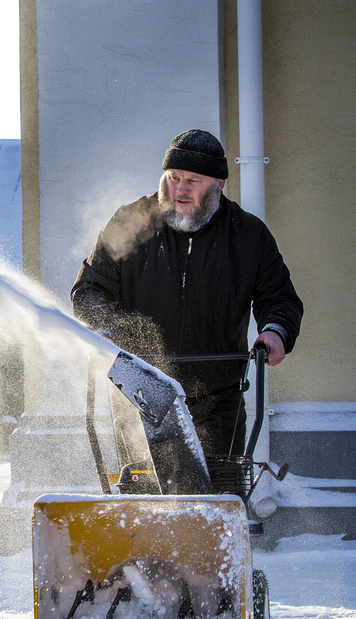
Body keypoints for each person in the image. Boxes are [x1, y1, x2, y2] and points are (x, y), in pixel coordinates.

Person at [72, 129, 303, 459]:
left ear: (218, 185)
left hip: (218, 402)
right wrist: (102, 328)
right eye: (173, 177)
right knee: (147, 506)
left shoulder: (248, 236)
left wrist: (275, 332)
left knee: (215, 502)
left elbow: (280, 299)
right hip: (141, 398)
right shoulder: (130, 222)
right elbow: (91, 288)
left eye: (193, 180)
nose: (179, 189)